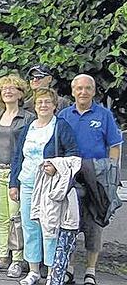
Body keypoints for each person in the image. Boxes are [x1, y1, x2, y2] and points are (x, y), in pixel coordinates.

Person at [9, 88, 79, 285]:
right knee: (29, 227)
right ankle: (33, 271)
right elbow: (18, 157)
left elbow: (73, 154)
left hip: (50, 186)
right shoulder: (28, 127)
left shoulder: (61, 126)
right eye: (40, 102)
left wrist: (56, 167)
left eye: (48, 102)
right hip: (28, 183)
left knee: (49, 229)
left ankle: (51, 273)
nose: (43, 105)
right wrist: (13, 184)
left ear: (55, 105)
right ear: (35, 105)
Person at [58, 74, 123, 285]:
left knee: (94, 227)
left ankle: (90, 271)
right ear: (73, 90)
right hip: (71, 178)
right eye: (79, 88)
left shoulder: (104, 115)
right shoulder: (64, 114)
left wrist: (111, 172)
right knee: (69, 225)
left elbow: (114, 145)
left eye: (88, 88)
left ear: (94, 92)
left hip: (97, 179)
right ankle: (68, 269)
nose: (83, 92)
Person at [0, 75, 34, 278]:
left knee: (16, 217)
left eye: (13, 89)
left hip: (16, 173)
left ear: (21, 94)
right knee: (2, 217)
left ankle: (17, 259)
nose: (8, 92)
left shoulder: (27, 117)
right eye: (4, 89)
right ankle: (2, 256)